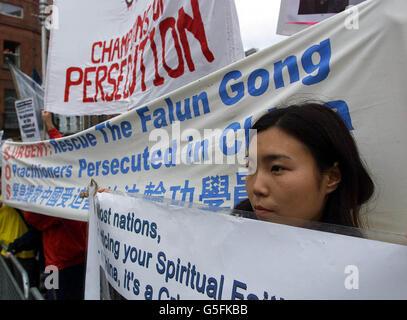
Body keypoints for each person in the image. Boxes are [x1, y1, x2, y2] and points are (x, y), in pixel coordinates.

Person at [239, 102, 374, 228]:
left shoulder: (356, 252)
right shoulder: (230, 240)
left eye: (277, 168)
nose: (257, 187)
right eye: (250, 167)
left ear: (332, 177)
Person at [23, 110, 88, 300]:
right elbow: (32, 217)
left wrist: (50, 126)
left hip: (71, 262)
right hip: (66, 263)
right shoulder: (68, 183)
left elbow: (32, 218)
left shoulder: (72, 182)